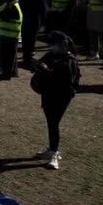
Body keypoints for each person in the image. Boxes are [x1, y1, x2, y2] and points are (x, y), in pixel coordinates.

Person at [32, 31, 81, 170]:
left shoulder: (70, 59)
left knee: (54, 122)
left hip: (62, 96)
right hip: (48, 93)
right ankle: (51, 149)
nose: (51, 47)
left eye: (53, 44)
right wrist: (37, 66)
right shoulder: (52, 55)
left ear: (62, 44)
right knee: (50, 122)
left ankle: (54, 154)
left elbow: (66, 80)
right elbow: (42, 63)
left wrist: (46, 70)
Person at [0, 0, 23, 79]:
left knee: (8, 56)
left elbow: (5, 16)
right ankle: (10, 72)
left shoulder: (13, 7)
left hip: (10, 34)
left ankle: (7, 74)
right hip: (7, 33)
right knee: (9, 55)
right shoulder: (11, 5)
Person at [19, 0, 47, 66]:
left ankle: (25, 56)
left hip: (24, 19)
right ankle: (28, 57)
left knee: (25, 38)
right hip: (34, 20)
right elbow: (43, 10)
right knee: (32, 39)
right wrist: (43, 22)